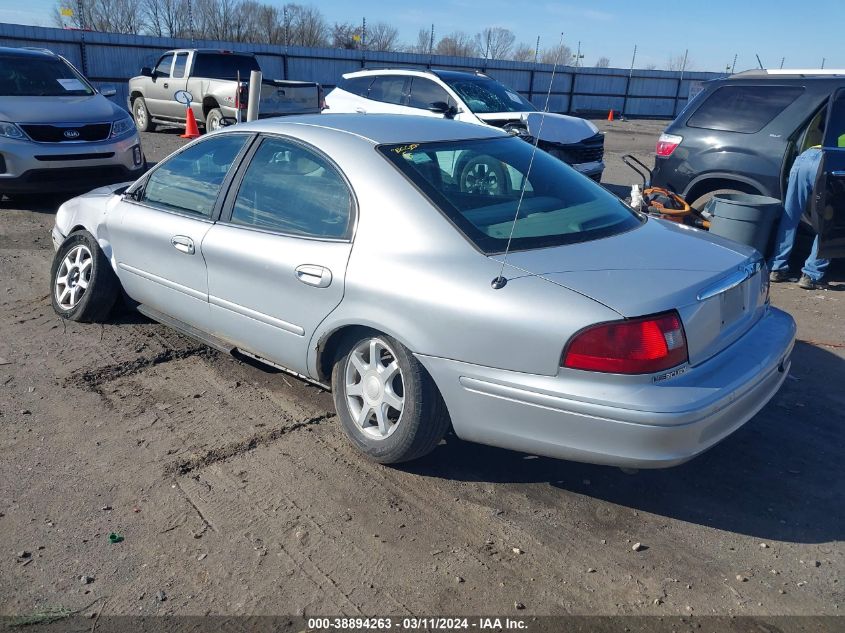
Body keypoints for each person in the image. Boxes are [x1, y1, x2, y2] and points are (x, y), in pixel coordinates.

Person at [768, 146, 829, 289]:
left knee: (790, 215)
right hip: (830, 161)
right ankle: (811, 274)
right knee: (829, 222)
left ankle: (776, 268)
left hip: (807, 156)